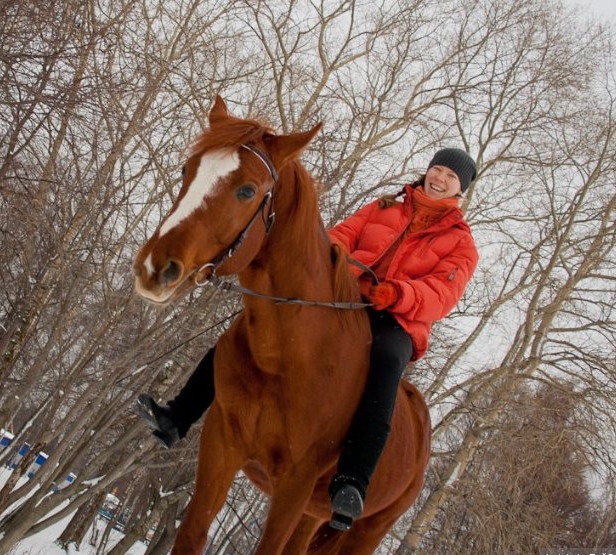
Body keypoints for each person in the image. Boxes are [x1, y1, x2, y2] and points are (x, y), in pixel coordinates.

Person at [136, 148, 479, 530]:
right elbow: (339, 237)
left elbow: (441, 294)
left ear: (460, 189)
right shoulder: (384, 206)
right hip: (342, 296)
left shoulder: (461, 243)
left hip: (394, 318)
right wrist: (327, 266)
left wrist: (398, 294)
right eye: (437, 169)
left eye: (450, 176)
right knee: (258, 326)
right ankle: (179, 415)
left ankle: (353, 479)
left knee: (384, 367)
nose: (440, 177)